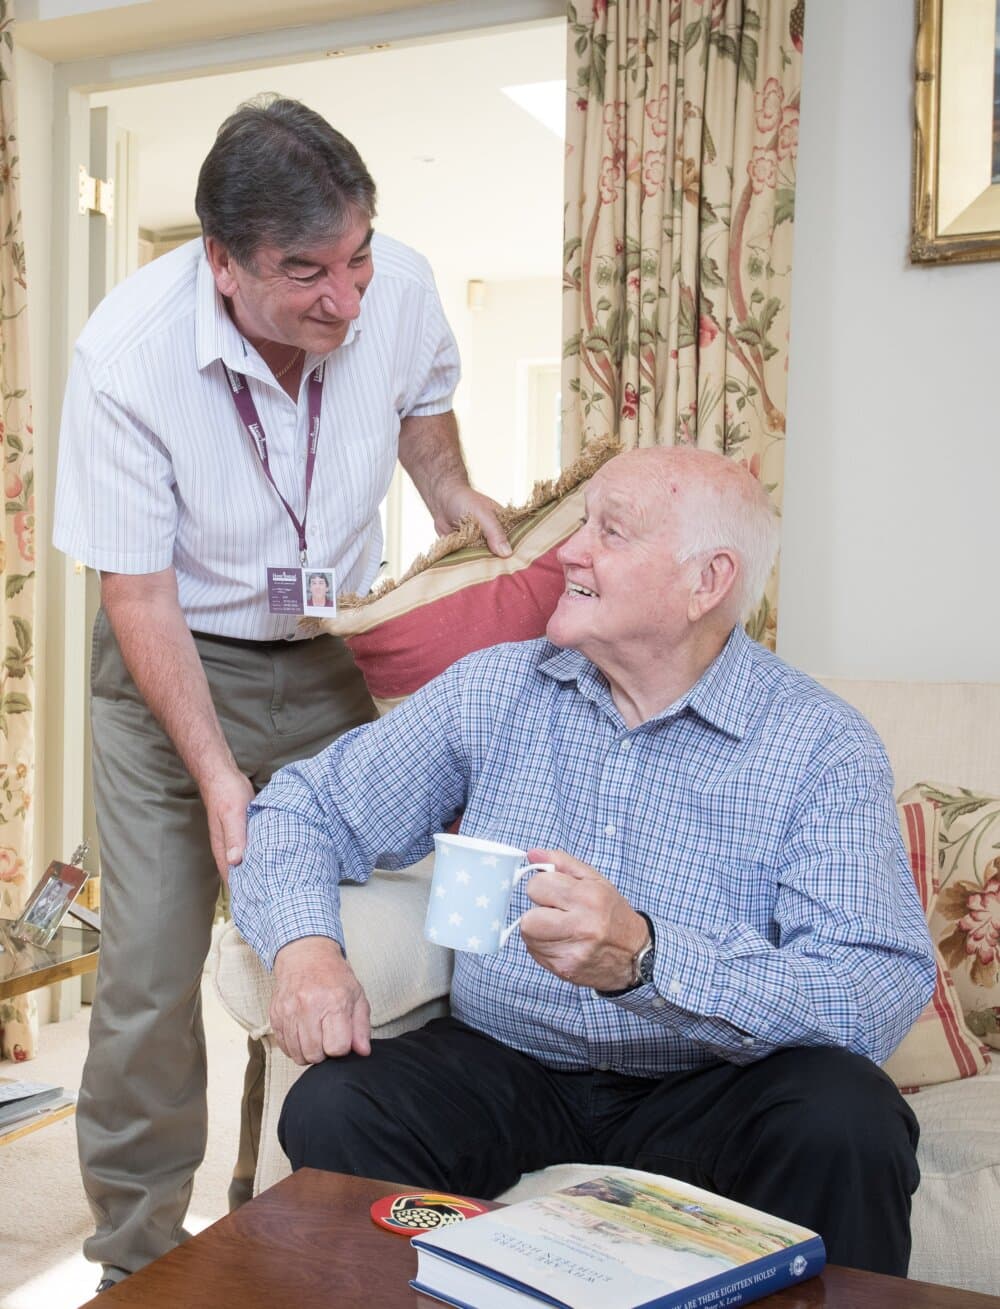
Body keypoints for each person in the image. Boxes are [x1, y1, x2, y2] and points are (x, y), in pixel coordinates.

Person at [231, 446, 937, 1278]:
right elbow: (300, 808)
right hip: (509, 1062)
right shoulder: (496, 690)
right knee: (338, 1106)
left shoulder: (820, 745)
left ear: (705, 581)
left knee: (848, 1119)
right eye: (581, 525)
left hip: (712, 1080)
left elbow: (871, 988)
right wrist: (305, 946)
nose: (569, 551)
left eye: (611, 531)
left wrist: (648, 959)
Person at [52, 95, 509, 1293]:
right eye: (307, 272)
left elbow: (425, 429)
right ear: (222, 262)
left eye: (357, 257)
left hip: (329, 650)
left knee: (356, 930)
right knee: (150, 970)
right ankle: (136, 1255)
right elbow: (138, 598)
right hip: (172, 665)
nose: (345, 299)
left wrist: (458, 506)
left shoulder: (394, 288)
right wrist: (214, 775)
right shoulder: (126, 357)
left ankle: (320, 1212)